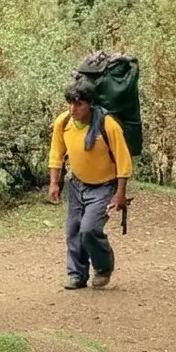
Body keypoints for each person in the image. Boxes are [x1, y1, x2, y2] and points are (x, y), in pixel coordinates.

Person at [48, 82, 134, 290]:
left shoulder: (108, 125)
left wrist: (120, 194)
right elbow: (56, 153)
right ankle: (77, 275)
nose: (73, 109)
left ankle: (103, 268)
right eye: (70, 103)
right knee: (73, 230)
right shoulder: (64, 122)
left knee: (89, 229)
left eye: (78, 104)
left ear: (90, 104)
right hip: (77, 184)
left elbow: (123, 161)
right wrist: (54, 183)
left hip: (104, 187)